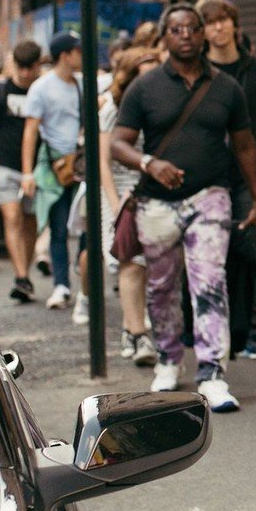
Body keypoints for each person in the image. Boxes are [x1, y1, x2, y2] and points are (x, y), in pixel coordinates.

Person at [110, 4, 256, 414]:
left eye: (192, 28)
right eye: (176, 29)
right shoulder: (144, 89)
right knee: (162, 287)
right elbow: (117, 142)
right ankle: (168, 359)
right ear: (164, 37)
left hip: (210, 196)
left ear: (201, 35)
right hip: (156, 205)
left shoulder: (226, 87)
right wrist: (149, 163)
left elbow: (246, 145)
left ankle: (212, 372)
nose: (186, 35)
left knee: (209, 280)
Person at [200, 0, 256, 360]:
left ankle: (250, 329)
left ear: (234, 24)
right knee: (213, 255)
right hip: (211, 173)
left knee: (250, 252)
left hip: (251, 175)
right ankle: (216, 329)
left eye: (223, 20)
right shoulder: (199, 72)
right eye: (210, 22)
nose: (218, 27)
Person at [100, 45, 159, 365]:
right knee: (130, 261)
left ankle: (130, 327)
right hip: (119, 193)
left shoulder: (161, 104)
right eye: (146, 75)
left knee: (148, 264)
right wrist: (114, 204)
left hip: (149, 190)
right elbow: (103, 163)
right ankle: (138, 335)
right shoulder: (112, 108)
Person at [20, 30, 84, 311]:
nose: (82, 55)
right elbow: (30, 131)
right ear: (65, 55)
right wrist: (27, 173)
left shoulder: (83, 84)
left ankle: (83, 278)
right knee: (58, 228)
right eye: (78, 50)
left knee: (85, 226)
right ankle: (61, 285)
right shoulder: (42, 88)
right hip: (56, 168)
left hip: (81, 164)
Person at [0, 40, 44, 301]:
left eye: (29, 68)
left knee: (30, 221)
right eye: (20, 67)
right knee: (12, 218)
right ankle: (21, 276)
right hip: (2, 163)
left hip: (36, 167)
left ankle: (26, 273)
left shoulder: (43, 90)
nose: (23, 73)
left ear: (37, 66)